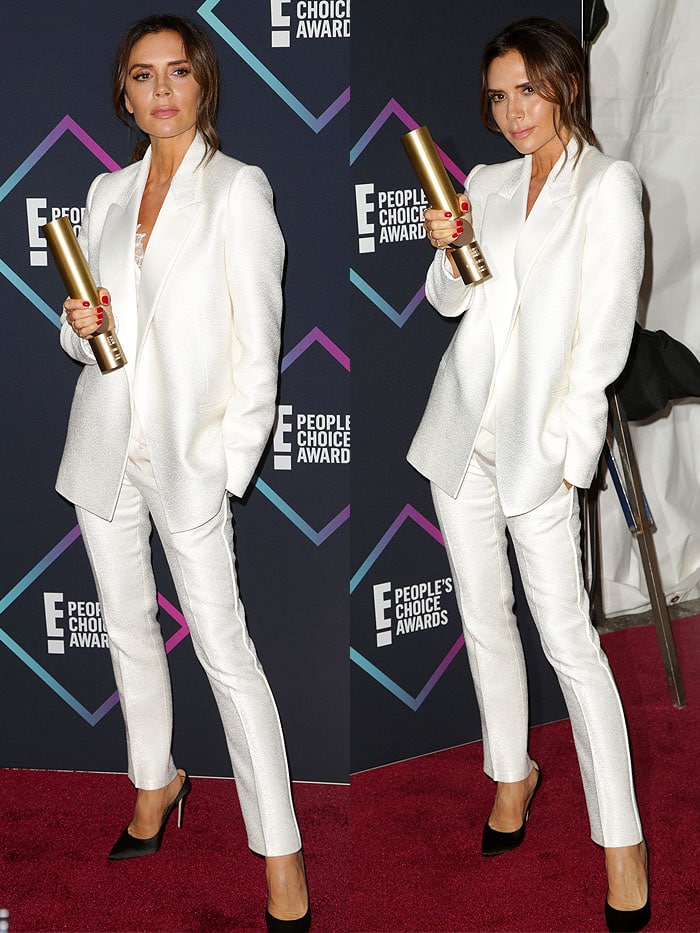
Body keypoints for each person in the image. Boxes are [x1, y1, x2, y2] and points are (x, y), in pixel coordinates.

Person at [57, 14, 310, 932]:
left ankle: (281, 853)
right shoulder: (105, 188)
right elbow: (76, 324)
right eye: (141, 77)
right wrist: (79, 326)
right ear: (123, 94)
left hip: (187, 457)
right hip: (103, 445)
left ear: (202, 82)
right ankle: (155, 782)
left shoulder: (239, 189)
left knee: (226, 654)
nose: (160, 91)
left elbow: (260, 341)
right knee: (128, 630)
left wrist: (226, 461)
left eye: (176, 73)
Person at [410, 17, 650, 933]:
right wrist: (448, 244)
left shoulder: (610, 189)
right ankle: (511, 772)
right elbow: (450, 302)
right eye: (499, 96)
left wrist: (567, 458)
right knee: (481, 615)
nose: (514, 112)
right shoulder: (487, 182)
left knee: (572, 645)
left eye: (529, 90)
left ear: (567, 84)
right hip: (460, 435)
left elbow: (603, 342)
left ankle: (620, 837)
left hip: (539, 452)